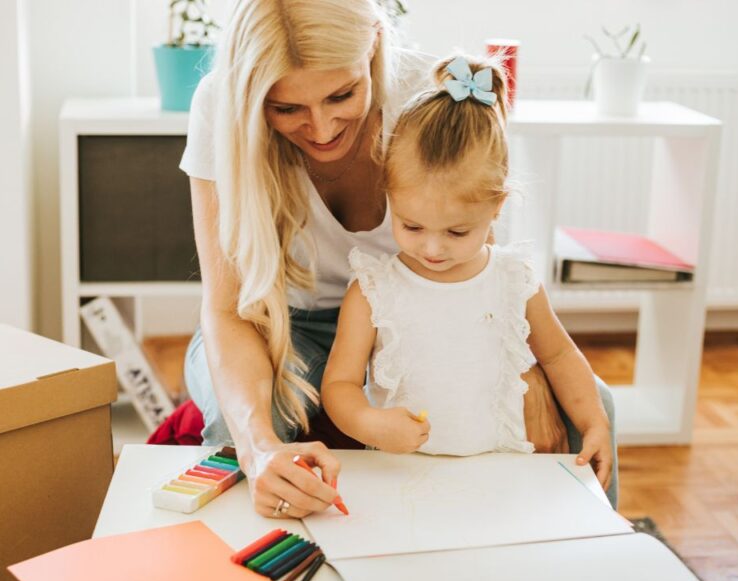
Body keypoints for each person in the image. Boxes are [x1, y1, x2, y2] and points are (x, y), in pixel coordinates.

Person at [179, 0, 616, 519]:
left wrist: (523, 371)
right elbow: (227, 308)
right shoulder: (219, 106)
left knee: (594, 406)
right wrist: (258, 446)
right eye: (287, 109)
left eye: (342, 94)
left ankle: (597, 554)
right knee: (239, 429)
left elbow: (486, 267)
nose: (320, 129)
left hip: (418, 314)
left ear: (375, 51)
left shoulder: (434, 94)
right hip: (277, 320)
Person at [321, 54, 617, 502]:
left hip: (502, 471)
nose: (432, 248)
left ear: (497, 207)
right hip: (403, 477)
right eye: (412, 226)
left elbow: (558, 357)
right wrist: (368, 422)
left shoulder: (514, 280)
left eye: (457, 231)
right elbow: (340, 384)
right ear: (390, 197)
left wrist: (595, 422)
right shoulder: (372, 290)